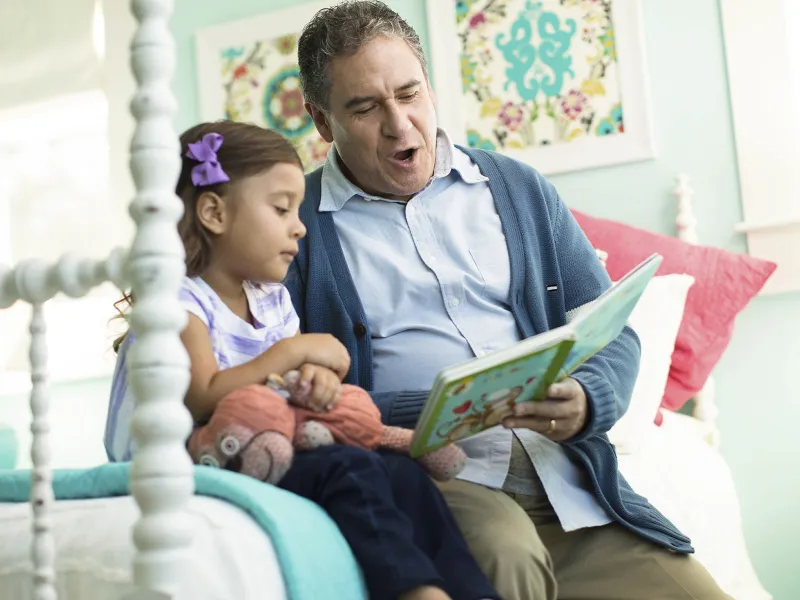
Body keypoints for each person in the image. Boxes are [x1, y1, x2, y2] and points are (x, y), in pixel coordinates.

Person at [287, 2, 733, 599]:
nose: (399, 124)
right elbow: (291, 392)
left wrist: (588, 399)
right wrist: (437, 407)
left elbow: (612, 330)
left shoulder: (518, 188)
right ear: (321, 121)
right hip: (437, 480)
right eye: (365, 108)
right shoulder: (297, 229)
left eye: (409, 93)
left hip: (570, 485)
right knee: (507, 553)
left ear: (430, 86)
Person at [103, 120, 500, 600]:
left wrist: (312, 378)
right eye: (280, 208)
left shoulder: (270, 300)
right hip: (199, 457)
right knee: (347, 470)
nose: (299, 226)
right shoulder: (178, 304)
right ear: (213, 212)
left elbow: (288, 382)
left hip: (270, 441)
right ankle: (413, 591)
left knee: (402, 474)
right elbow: (203, 396)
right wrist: (291, 353)